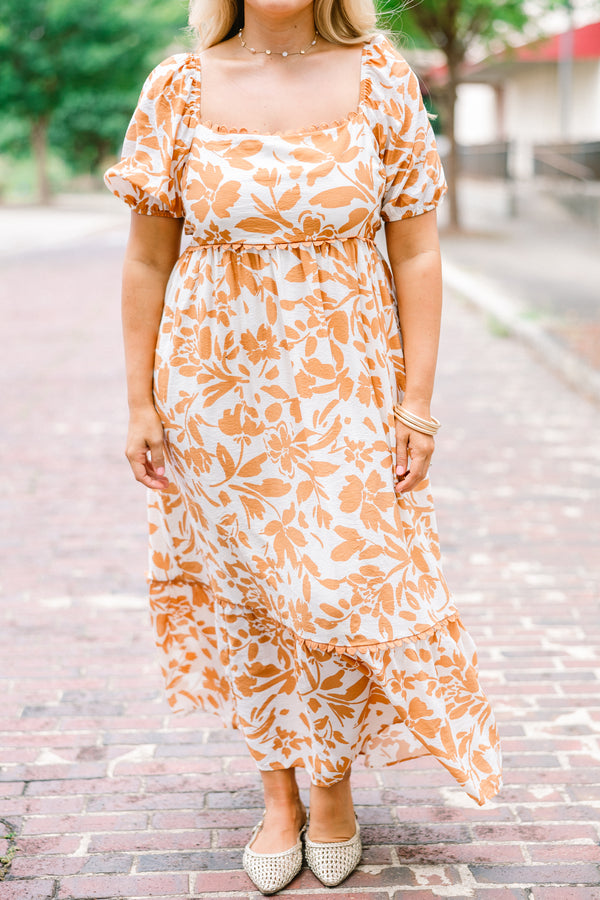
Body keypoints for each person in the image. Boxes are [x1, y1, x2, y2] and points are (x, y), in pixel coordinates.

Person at [104, 0, 503, 892]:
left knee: (334, 584)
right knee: (248, 588)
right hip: (216, 388)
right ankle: (279, 792)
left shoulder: (381, 79)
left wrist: (417, 403)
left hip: (345, 386)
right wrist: (139, 401)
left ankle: (334, 785)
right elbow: (145, 260)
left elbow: (416, 252)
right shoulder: (177, 88)